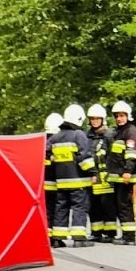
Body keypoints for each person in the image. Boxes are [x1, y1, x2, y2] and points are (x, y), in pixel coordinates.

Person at [46, 104, 95, 248]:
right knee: (79, 207)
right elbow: (84, 157)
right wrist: (92, 172)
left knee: (61, 207)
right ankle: (79, 237)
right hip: (78, 181)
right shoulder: (78, 135)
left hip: (61, 182)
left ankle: (57, 238)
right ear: (79, 118)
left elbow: (48, 154)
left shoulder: (55, 138)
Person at [108, 101, 136, 242]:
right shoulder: (119, 132)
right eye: (117, 116)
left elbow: (132, 153)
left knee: (125, 205)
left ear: (128, 116)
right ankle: (126, 234)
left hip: (126, 175)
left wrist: (127, 170)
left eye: (122, 115)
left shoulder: (130, 131)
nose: (119, 118)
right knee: (120, 205)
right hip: (118, 176)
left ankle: (129, 236)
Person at [85, 104, 117, 242]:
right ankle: (96, 232)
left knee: (108, 205)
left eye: (97, 119)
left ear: (103, 119)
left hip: (107, 177)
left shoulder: (110, 135)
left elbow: (114, 155)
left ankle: (110, 232)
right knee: (93, 205)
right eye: (92, 119)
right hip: (92, 176)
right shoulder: (87, 135)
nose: (95, 121)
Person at [42, 111, 63, 231]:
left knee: (48, 210)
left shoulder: (42, 142)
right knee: (57, 209)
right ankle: (56, 235)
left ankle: (48, 232)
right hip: (57, 182)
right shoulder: (59, 142)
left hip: (44, 184)